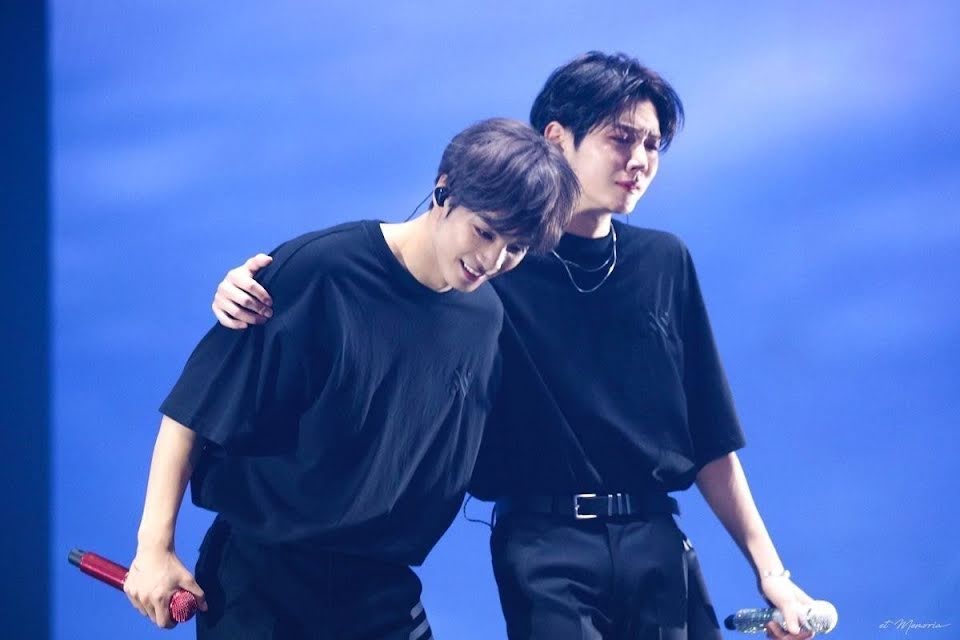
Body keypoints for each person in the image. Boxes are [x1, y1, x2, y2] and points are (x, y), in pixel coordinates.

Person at [210, 52, 821, 640]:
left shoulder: (665, 262)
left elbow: (710, 435)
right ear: (556, 137)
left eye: (653, 145)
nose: (638, 160)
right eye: (620, 138)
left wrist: (773, 574)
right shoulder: (484, 264)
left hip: (657, 538)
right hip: (541, 544)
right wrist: (252, 289)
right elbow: (383, 282)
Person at [122, 117, 579, 639]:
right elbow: (195, 410)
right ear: (444, 190)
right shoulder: (318, 271)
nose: (493, 259)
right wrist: (153, 549)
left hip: (380, 586)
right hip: (263, 581)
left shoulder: (485, 318)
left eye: (515, 248)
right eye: (485, 232)